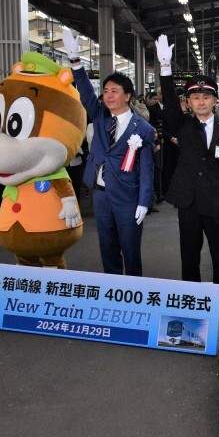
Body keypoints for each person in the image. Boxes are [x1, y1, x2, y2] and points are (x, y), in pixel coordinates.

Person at [156, 34, 219, 328]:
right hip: (189, 203)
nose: (201, 101)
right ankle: (193, 307)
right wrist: (165, 68)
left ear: (215, 100)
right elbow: (168, 104)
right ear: (189, 102)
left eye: (206, 96)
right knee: (189, 259)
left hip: (218, 204)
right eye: (195, 97)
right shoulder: (181, 124)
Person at [62, 28, 156, 276]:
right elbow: (84, 90)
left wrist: (144, 201)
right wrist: (75, 62)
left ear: (128, 96)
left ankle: (134, 290)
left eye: (114, 91)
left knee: (131, 249)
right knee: (108, 248)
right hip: (101, 196)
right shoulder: (100, 116)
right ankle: (113, 291)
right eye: (105, 91)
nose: (108, 95)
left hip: (128, 197)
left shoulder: (143, 128)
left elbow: (146, 169)